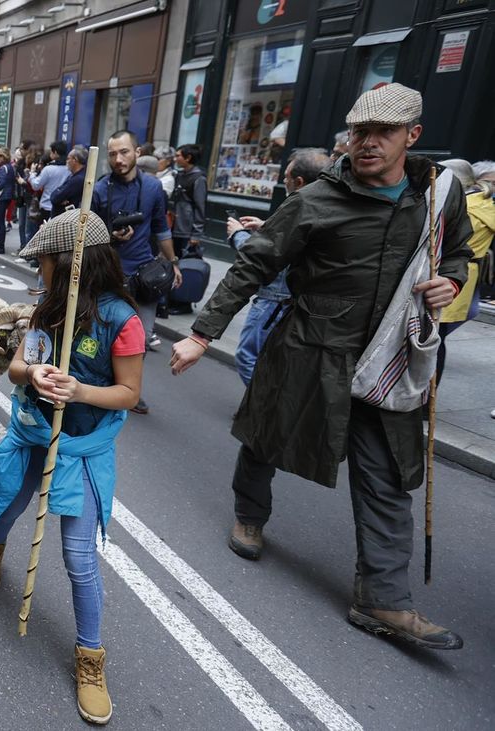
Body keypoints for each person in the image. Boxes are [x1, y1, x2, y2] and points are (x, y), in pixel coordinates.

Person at [169, 84, 471, 650]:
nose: (368, 143)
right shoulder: (315, 200)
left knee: (386, 477)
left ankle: (382, 598)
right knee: (266, 435)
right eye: (359, 132)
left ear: (414, 136)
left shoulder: (439, 195)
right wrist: (202, 334)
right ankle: (249, 514)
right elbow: (252, 266)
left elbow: (460, 249)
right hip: (310, 349)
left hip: (388, 361)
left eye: (383, 132)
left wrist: (450, 281)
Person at [0, 209, 142, 725]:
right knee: (7, 506)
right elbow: (19, 366)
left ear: (70, 264)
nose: (37, 271)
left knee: (78, 556)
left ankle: (90, 658)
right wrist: (34, 373)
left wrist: (81, 390)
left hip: (82, 447)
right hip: (33, 434)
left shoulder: (122, 320)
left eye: (43, 262)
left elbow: (129, 394)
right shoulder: (45, 310)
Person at [226, 148, 329, 386]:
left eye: (287, 177)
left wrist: (237, 236)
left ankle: (264, 409)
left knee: (248, 354)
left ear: (299, 182)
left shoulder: (299, 206)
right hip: (295, 300)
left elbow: (269, 256)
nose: (283, 181)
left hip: (275, 298)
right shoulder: (324, 208)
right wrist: (265, 227)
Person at [94, 130, 177, 413]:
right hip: (108, 275)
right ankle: (104, 386)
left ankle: (130, 389)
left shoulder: (154, 188)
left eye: (124, 152)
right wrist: (111, 236)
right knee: (104, 335)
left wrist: (173, 262)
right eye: (113, 153)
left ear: (137, 152)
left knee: (140, 338)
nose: (118, 159)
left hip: (145, 276)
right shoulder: (100, 189)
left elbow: (161, 228)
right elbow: (89, 233)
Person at [436, 158, 494, 383]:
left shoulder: (463, 206)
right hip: (466, 275)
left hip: (448, 273)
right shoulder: (485, 204)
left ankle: (422, 401)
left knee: (434, 339)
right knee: (438, 337)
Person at [169, 144, 207, 262]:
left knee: (184, 261)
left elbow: (200, 206)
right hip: (174, 225)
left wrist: (196, 234)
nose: (175, 159)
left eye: (178, 156)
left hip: (186, 229)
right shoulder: (180, 175)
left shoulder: (198, 178)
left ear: (188, 158)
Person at [30, 141, 72, 223]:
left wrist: (32, 174)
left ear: (55, 152)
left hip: (46, 206)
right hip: (62, 208)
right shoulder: (69, 169)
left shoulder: (48, 169)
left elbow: (36, 185)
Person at [49, 146, 89, 216]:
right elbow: (54, 196)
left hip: (65, 220)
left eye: (68, 159)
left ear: (75, 160)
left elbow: (55, 198)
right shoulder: (72, 176)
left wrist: (59, 196)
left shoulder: (78, 179)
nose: (66, 161)